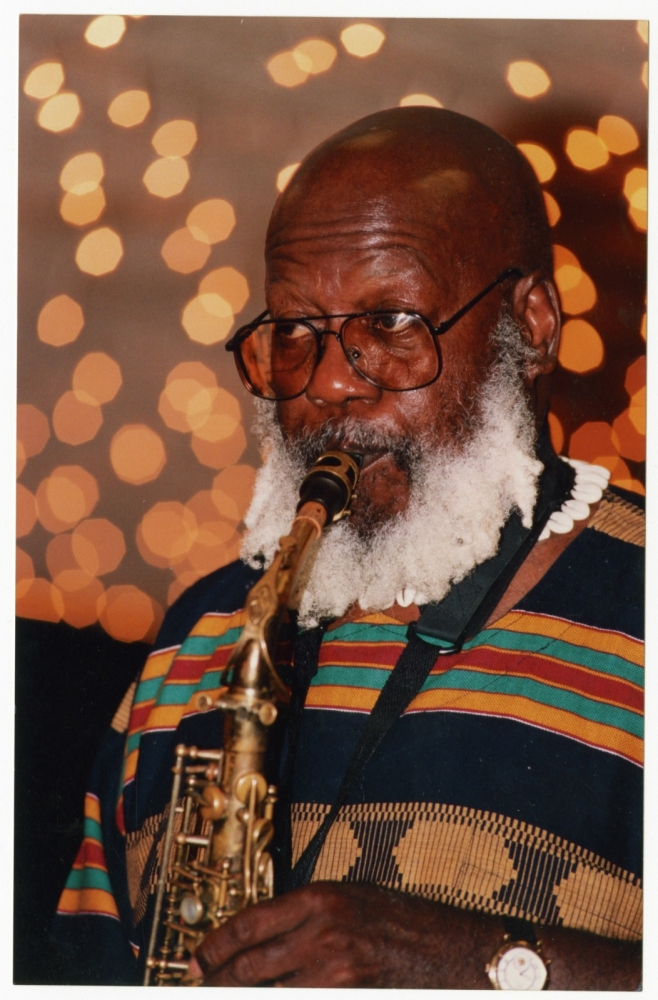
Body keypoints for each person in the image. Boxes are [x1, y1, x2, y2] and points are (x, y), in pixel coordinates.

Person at [54, 107, 643, 989]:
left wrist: (471, 961)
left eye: (392, 321)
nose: (327, 383)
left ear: (531, 327)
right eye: (294, 331)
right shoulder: (199, 635)